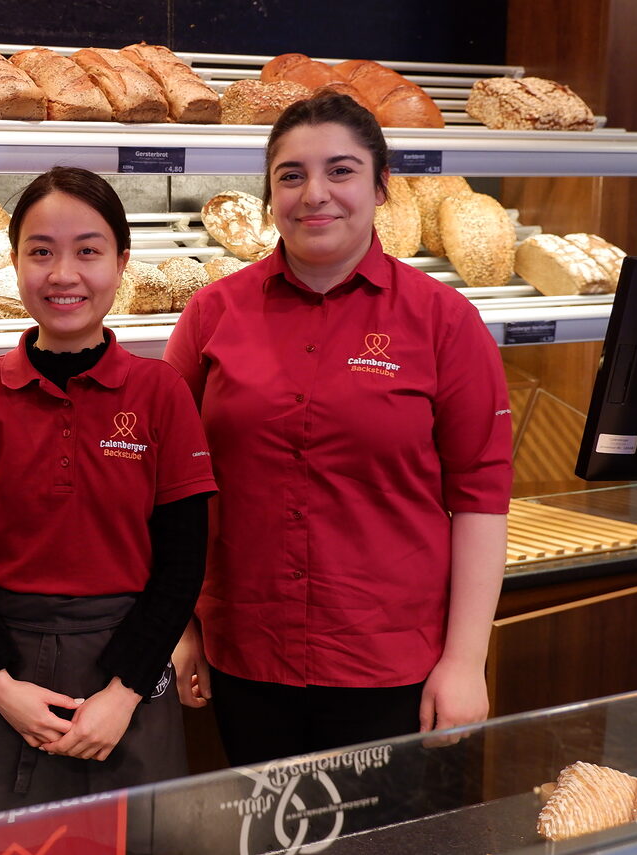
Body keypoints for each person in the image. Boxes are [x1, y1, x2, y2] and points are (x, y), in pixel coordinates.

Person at [165, 92, 513, 766]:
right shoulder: (212, 315)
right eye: (291, 176)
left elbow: (479, 498)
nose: (314, 194)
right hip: (244, 653)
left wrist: (466, 661)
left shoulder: (443, 322)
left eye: (342, 171)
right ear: (270, 194)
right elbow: (172, 487)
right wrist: (180, 627)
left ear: (381, 187)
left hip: (389, 660)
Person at [0, 167, 218, 819]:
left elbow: (182, 561)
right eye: (41, 251)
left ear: (120, 263)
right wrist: (2, 685)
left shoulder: (160, 393)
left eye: (88, 251)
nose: (64, 273)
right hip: (4, 673)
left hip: (130, 676)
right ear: (14, 262)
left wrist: (123, 692)